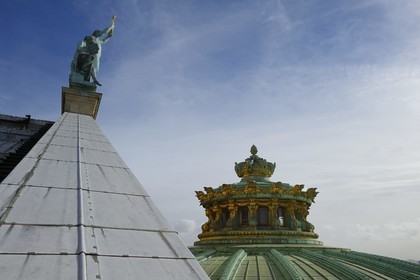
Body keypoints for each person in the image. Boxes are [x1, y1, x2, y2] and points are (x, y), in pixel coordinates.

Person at [70, 16, 115, 86]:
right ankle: (93, 79)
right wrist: (111, 26)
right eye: (98, 33)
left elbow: (103, 41)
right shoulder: (91, 38)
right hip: (89, 55)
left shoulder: (99, 41)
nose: (100, 35)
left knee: (93, 68)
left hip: (96, 56)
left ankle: (93, 79)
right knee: (90, 64)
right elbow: (104, 32)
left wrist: (108, 37)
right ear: (95, 33)